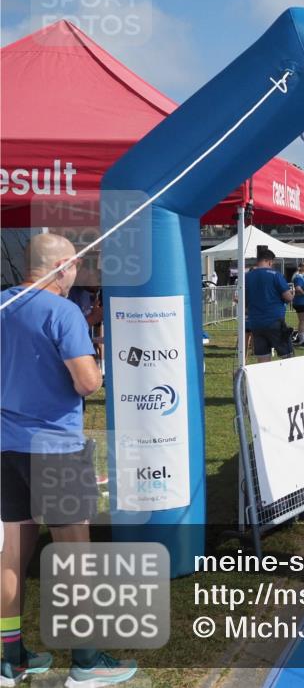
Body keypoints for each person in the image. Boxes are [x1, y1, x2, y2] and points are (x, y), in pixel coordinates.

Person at [1, 233, 138, 687]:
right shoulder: (63, 312)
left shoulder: (3, 305)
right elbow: (86, 382)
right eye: (77, 266)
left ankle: (10, 659)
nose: (78, 273)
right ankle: (86, 660)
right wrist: (95, 365)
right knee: (75, 556)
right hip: (55, 448)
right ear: (62, 266)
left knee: (11, 557)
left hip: (7, 447)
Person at [245, 247, 294, 363]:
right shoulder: (275, 275)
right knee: (287, 356)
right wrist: (292, 296)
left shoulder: (247, 276)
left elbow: (244, 299)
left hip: (256, 322)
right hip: (274, 321)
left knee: (263, 359)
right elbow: (288, 297)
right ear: (270, 261)